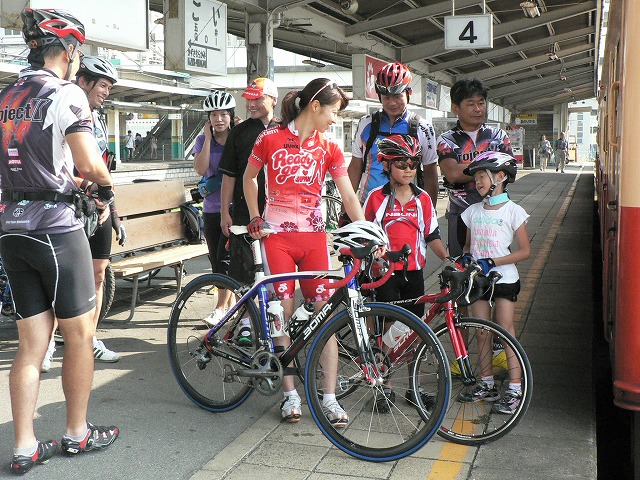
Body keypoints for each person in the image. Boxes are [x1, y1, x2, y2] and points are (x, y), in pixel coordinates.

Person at [0, 8, 119, 475]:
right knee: (79, 333)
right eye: (77, 52)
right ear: (67, 51)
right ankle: (76, 432)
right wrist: (105, 190)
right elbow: (88, 164)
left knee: (31, 342)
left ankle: (25, 445)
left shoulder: (6, 95)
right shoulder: (65, 93)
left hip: (11, 228)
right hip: (55, 226)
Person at [244, 78, 367, 426]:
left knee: (323, 315)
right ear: (314, 106)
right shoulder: (270, 138)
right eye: (333, 112)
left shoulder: (329, 148)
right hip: (277, 238)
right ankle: (290, 395)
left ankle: (328, 398)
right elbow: (249, 178)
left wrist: (371, 233)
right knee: (281, 313)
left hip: (314, 240)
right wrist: (254, 214)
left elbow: (348, 196)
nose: (334, 120)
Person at [41, 55, 126, 372]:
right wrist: (85, 187)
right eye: (103, 85)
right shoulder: (61, 109)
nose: (106, 91)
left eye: (109, 86)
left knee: (98, 275)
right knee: (58, 280)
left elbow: (104, 167)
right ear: (83, 81)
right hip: (67, 205)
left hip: (98, 208)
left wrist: (113, 210)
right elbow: (54, 166)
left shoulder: (99, 119)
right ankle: (47, 344)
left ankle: (89, 339)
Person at [362, 134, 449, 412]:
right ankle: (384, 387)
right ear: (386, 166)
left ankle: (414, 387)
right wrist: (373, 252)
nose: (409, 168)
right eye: (401, 163)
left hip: (414, 272)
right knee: (387, 330)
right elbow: (366, 234)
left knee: (414, 331)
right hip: (384, 274)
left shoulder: (423, 198)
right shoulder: (376, 198)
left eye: (413, 162)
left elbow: (432, 233)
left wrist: (449, 258)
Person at [457, 151, 531, 414]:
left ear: (500, 177)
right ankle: (486, 383)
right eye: (476, 178)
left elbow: (525, 251)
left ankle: (514, 388)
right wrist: (467, 256)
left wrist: (494, 262)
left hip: (505, 278)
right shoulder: (472, 211)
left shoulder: (514, 211)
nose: (477, 182)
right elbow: (468, 244)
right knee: (481, 331)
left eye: (482, 177)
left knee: (506, 330)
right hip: (478, 280)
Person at [437, 78, 513, 258]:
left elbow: (509, 172)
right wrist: (490, 170)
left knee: (498, 266)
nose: (478, 109)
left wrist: (468, 170)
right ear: (456, 108)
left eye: (481, 103)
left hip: (496, 213)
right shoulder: (447, 139)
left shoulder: (498, 136)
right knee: (461, 267)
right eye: (470, 104)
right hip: (460, 214)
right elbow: (453, 174)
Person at [348, 62, 439, 206]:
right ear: (379, 97)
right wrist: (345, 209)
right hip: (368, 208)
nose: (392, 103)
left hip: (407, 210)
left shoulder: (423, 128)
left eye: (397, 96)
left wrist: (430, 215)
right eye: (386, 97)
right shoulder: (366, 124)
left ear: (409, 93)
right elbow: (355, 166)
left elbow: (430, 173)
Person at [218, 78, 278, 290]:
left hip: (278, 212)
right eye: (248, 99)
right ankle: (245, 321)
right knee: (243, 269)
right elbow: (229, 175)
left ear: (273, 100)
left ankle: (273, 319)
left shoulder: (284, 130)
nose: (251, 104)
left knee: (276, 271)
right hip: (244, 212)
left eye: (257, 99)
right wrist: (225, 212)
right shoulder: (239, 132)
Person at [193, 91, 236, 327]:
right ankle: (229, 306)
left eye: (223, 114)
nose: (219, 119)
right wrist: (208, 139)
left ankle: (220, 308)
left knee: (225, 260)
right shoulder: (202, 141)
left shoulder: (237, 137)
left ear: (230, 115)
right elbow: (201, 169)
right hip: (211, 209)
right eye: (214, 115)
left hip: (233, 209)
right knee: (216, 259)